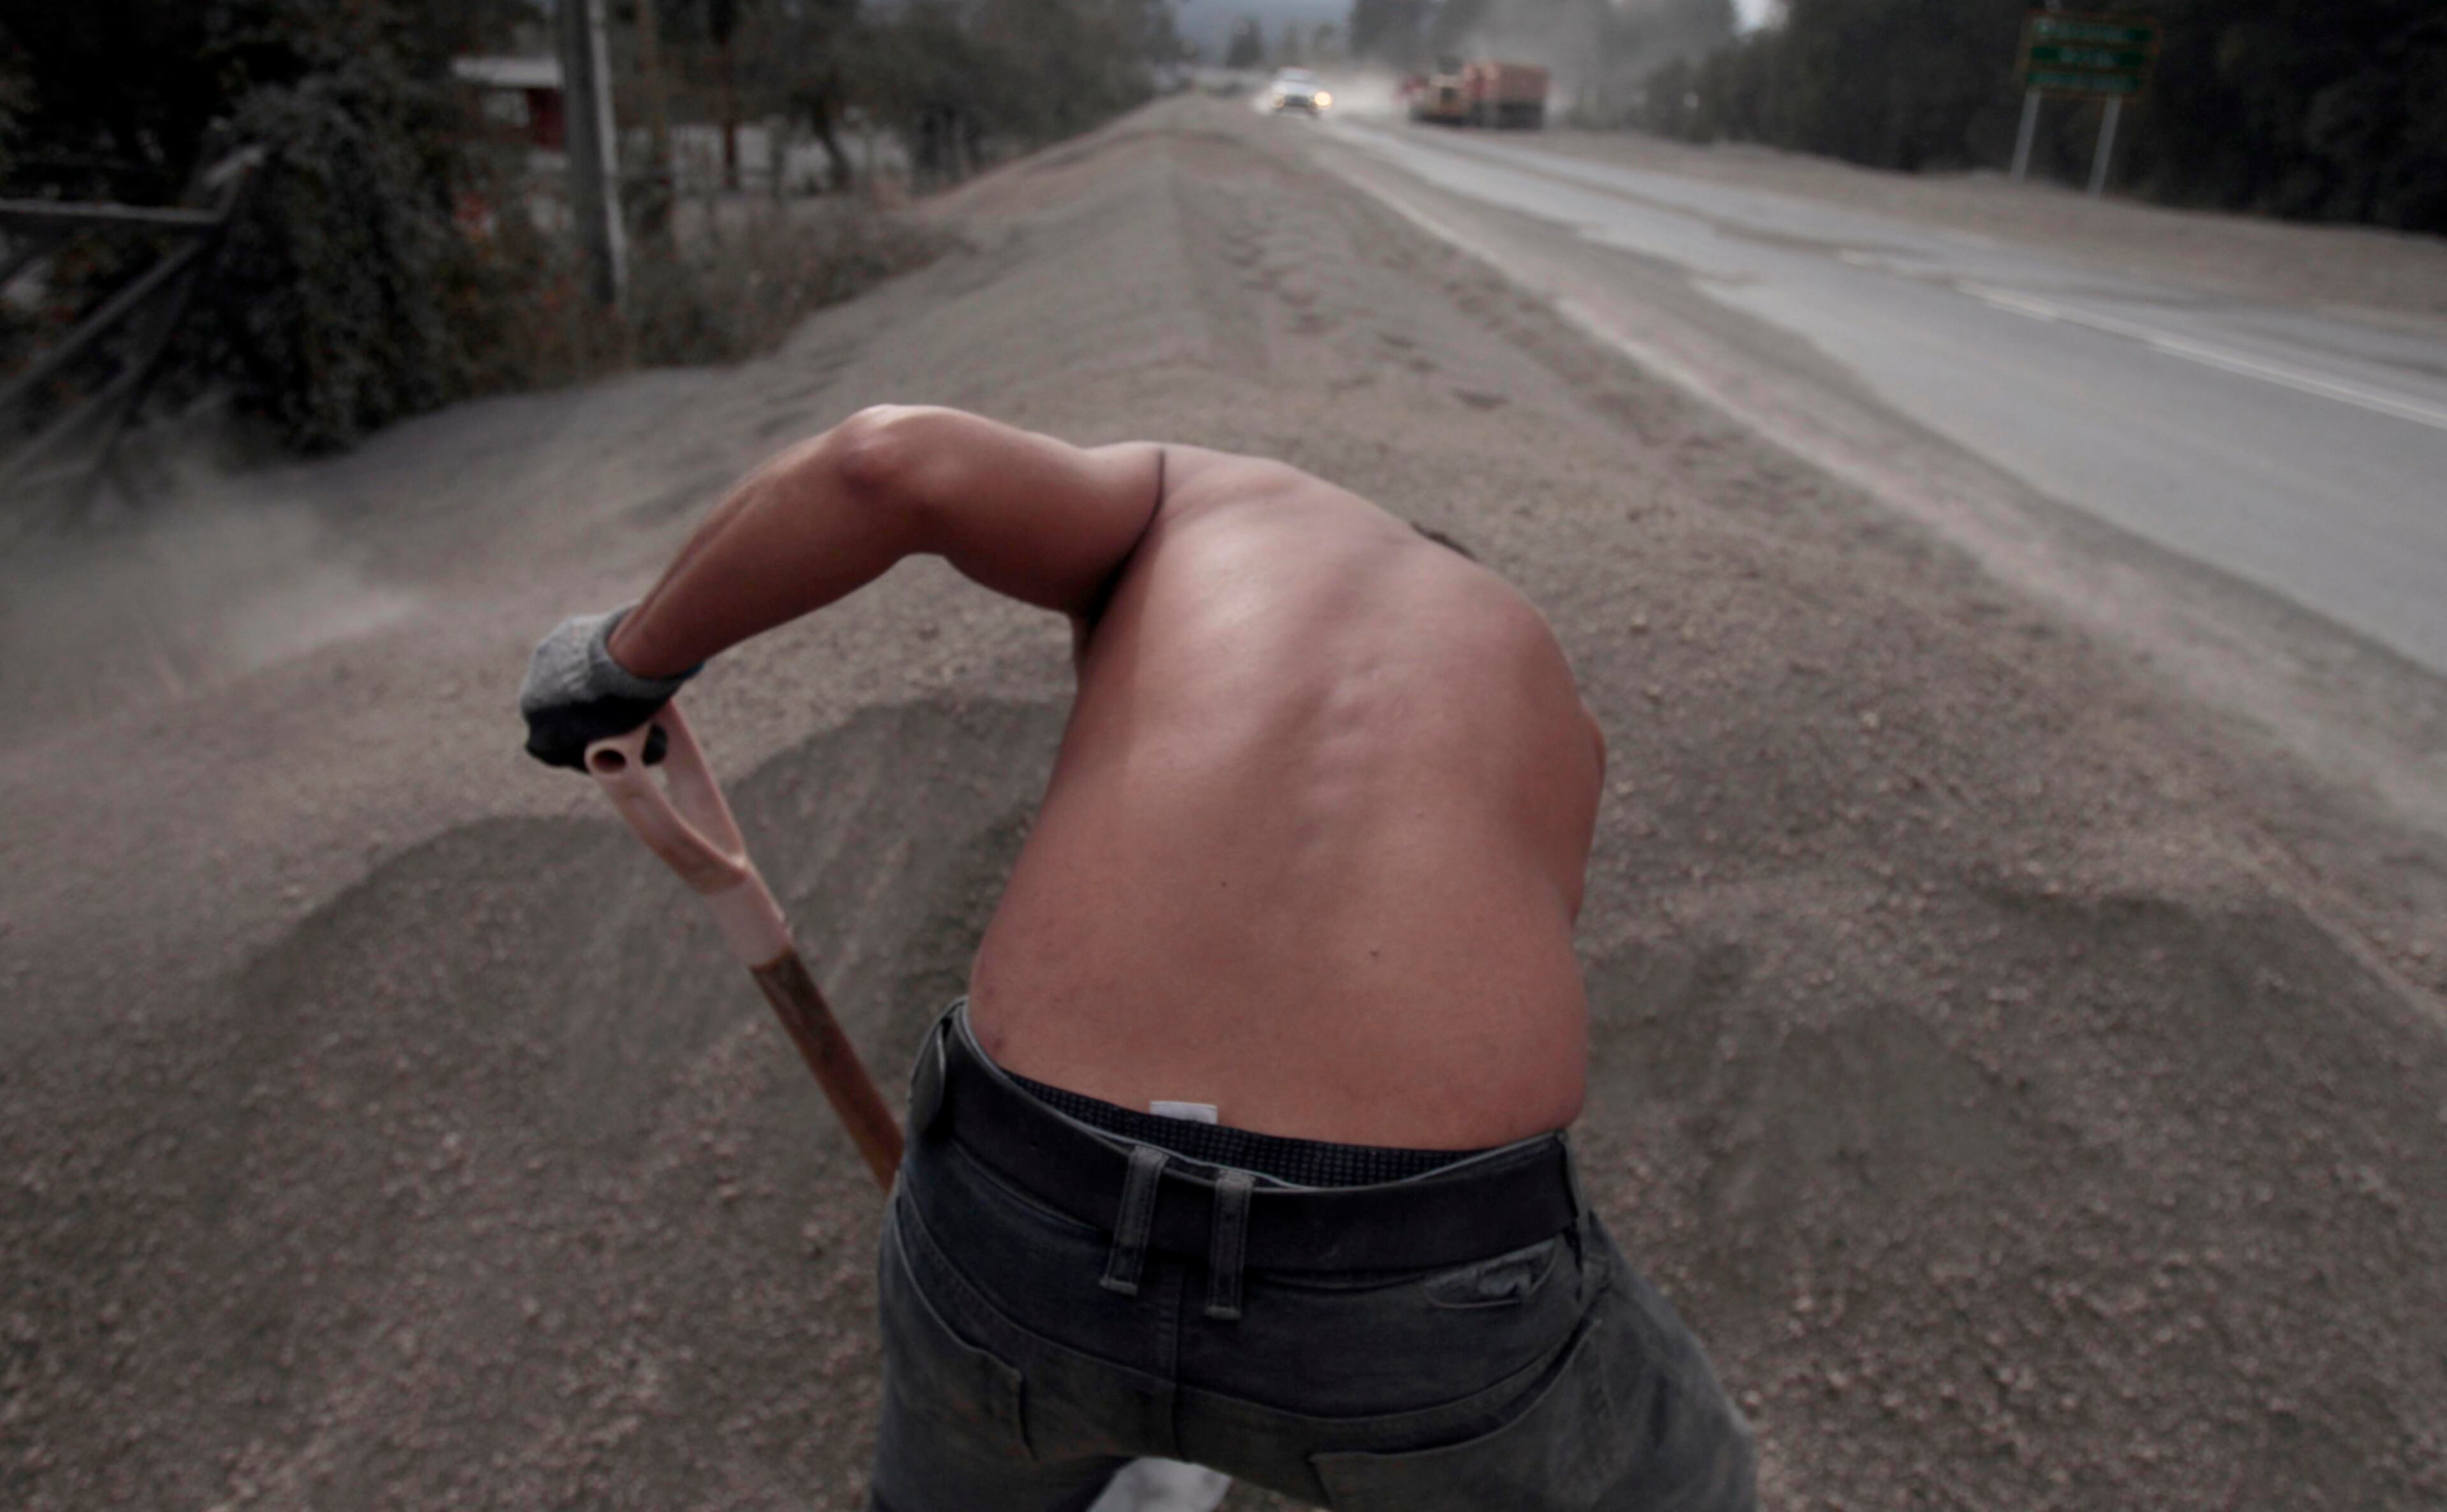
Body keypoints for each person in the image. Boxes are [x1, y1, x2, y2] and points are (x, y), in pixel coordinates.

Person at [520, 406, 1757, 1511]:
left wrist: (620, 664)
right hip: (1414, 1303)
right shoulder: (1554, 704)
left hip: (1017, 1223)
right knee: (1689, 1480)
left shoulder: (1191, 500)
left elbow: (883, 462)